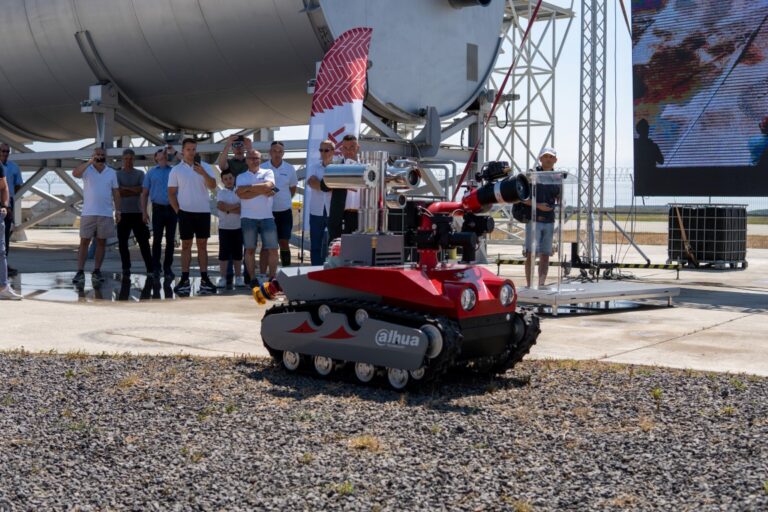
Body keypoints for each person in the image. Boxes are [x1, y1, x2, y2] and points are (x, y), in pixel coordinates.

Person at [168, 138, 218, 295]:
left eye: (194, 149)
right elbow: (171, 193)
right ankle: (184, 279)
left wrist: (203, 172)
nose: (191, 152)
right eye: (188, 149)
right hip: (185, 213)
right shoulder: (176, 170)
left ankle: (205, 279)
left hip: (203, 211)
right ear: (183, 151)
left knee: (202, 246)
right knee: (186, 246)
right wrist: (178, 211)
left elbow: (213, 185)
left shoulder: (206, 167)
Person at [71, 147, 121, 286]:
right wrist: (89, 162)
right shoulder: (87, 170)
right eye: (97, 155)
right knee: (84, 242)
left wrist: (118, 210)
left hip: (105, 213)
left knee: (101, 243)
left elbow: (116, 192)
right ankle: (80, 271)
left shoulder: (111, 172)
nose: (100, 157)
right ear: (93, 156)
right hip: (88, 213)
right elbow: (75, 173)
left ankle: (97, 271)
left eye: (102, 155)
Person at [236, 149, 277, 283]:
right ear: (246, 160)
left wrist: (248, 188)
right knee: (249, 250)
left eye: (256, 158)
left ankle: (272, 278)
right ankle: (253, 278)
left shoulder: (268, 172)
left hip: (267, 217)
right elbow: (241, 194)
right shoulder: (241, 176)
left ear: (260, 159)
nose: (254, 160)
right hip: (248, 218)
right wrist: (262, 190)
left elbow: (269, 185)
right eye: (251, 158)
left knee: (272, 249)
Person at [523, 147, 561, 288]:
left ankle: (541, 284)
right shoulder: (532, 175)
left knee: (545, 254)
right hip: (534, 221)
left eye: (551, 157)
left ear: (555, 160)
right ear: (540, 159)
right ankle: (529, 285)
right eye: (545, 156)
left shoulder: (558, 178)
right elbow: (522, 198)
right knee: (531, 254)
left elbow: (559, 196)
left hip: (549, 221)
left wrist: (561, 201)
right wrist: (538, 206)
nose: (548, 159)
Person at [141, 148, 178, 281]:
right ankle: (156, 267)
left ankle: (168, 268)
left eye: (165, 152)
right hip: (157, 209)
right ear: (156, 157)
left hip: (172, 209)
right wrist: (144, 212)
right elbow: (144, 194)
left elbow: (184, 163)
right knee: (157, 240)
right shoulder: (151, 173)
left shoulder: (174, 171)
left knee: (170, 240)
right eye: (160, 152)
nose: (164, 153)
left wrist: (173, 152)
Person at [116, 148, 152, 279]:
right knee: (122, 243)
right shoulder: (117, 174)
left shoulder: (140, 173)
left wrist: (125, 189)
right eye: (126, 159)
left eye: (131, 159)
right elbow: (118, 192)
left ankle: (150, 268)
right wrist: (133, 190)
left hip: (138, 213)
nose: (128, 161)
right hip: (123, 213)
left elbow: (142, 190)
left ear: (134, 159)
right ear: (122, 159)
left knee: (143, 242)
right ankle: (126, 268)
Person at [262, 141, 297, 267]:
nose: (277, 154)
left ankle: (286, 269)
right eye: (274, 151)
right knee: (267, 244)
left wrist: (283, 199)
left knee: (284, 242)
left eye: (280, 151)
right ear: (270, 152)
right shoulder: (263, 168)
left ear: (283, 153)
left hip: (285, 212)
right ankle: (266, 273)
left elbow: (292, 189)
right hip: (267, 212)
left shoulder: (290, 168)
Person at [306, 140, 335, 265]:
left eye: (326, 150)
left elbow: (336, 187)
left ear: (333, 151)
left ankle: (332, 269)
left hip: (333, 210)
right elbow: (311, 182)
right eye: (321, 150)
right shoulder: (314, 166)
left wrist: (320, 184)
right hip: (316, 211)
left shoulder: (338, 167)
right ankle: (315, 269)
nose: (323, 153)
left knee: (334, 244)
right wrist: (328, 186)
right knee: (315, 244)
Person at [328, 134, 360, 240]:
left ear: (358, 148)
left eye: (352, 147)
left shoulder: (366, 166)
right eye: (345, 148)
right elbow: (324, 186)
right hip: (339, 216)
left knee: (358, 247)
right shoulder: (335, 166)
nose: (348, 151)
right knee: (336, 247)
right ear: (341, 149)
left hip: (360, 216)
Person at [215, 169, 244, 288]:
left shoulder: (239, 192)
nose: (228, 181)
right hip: (224, 228)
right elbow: (220, 206)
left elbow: (242, 209)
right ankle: (223, 278)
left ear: (234, 178)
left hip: (238, 227)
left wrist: (228, 209)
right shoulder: (221, 192)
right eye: (225, 179)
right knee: (223, 254)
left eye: (230, 178)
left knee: (238, 254)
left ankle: (238, 277)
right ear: (222, 181)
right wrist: (234, 207)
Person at [0, 143, 23, 277]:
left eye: (7, 151)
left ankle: (4, 265)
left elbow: (18, 184)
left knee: (5, 236)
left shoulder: (14, 167)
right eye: (3, 151)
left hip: (7, 204)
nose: (5, 153)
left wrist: (10, 199)